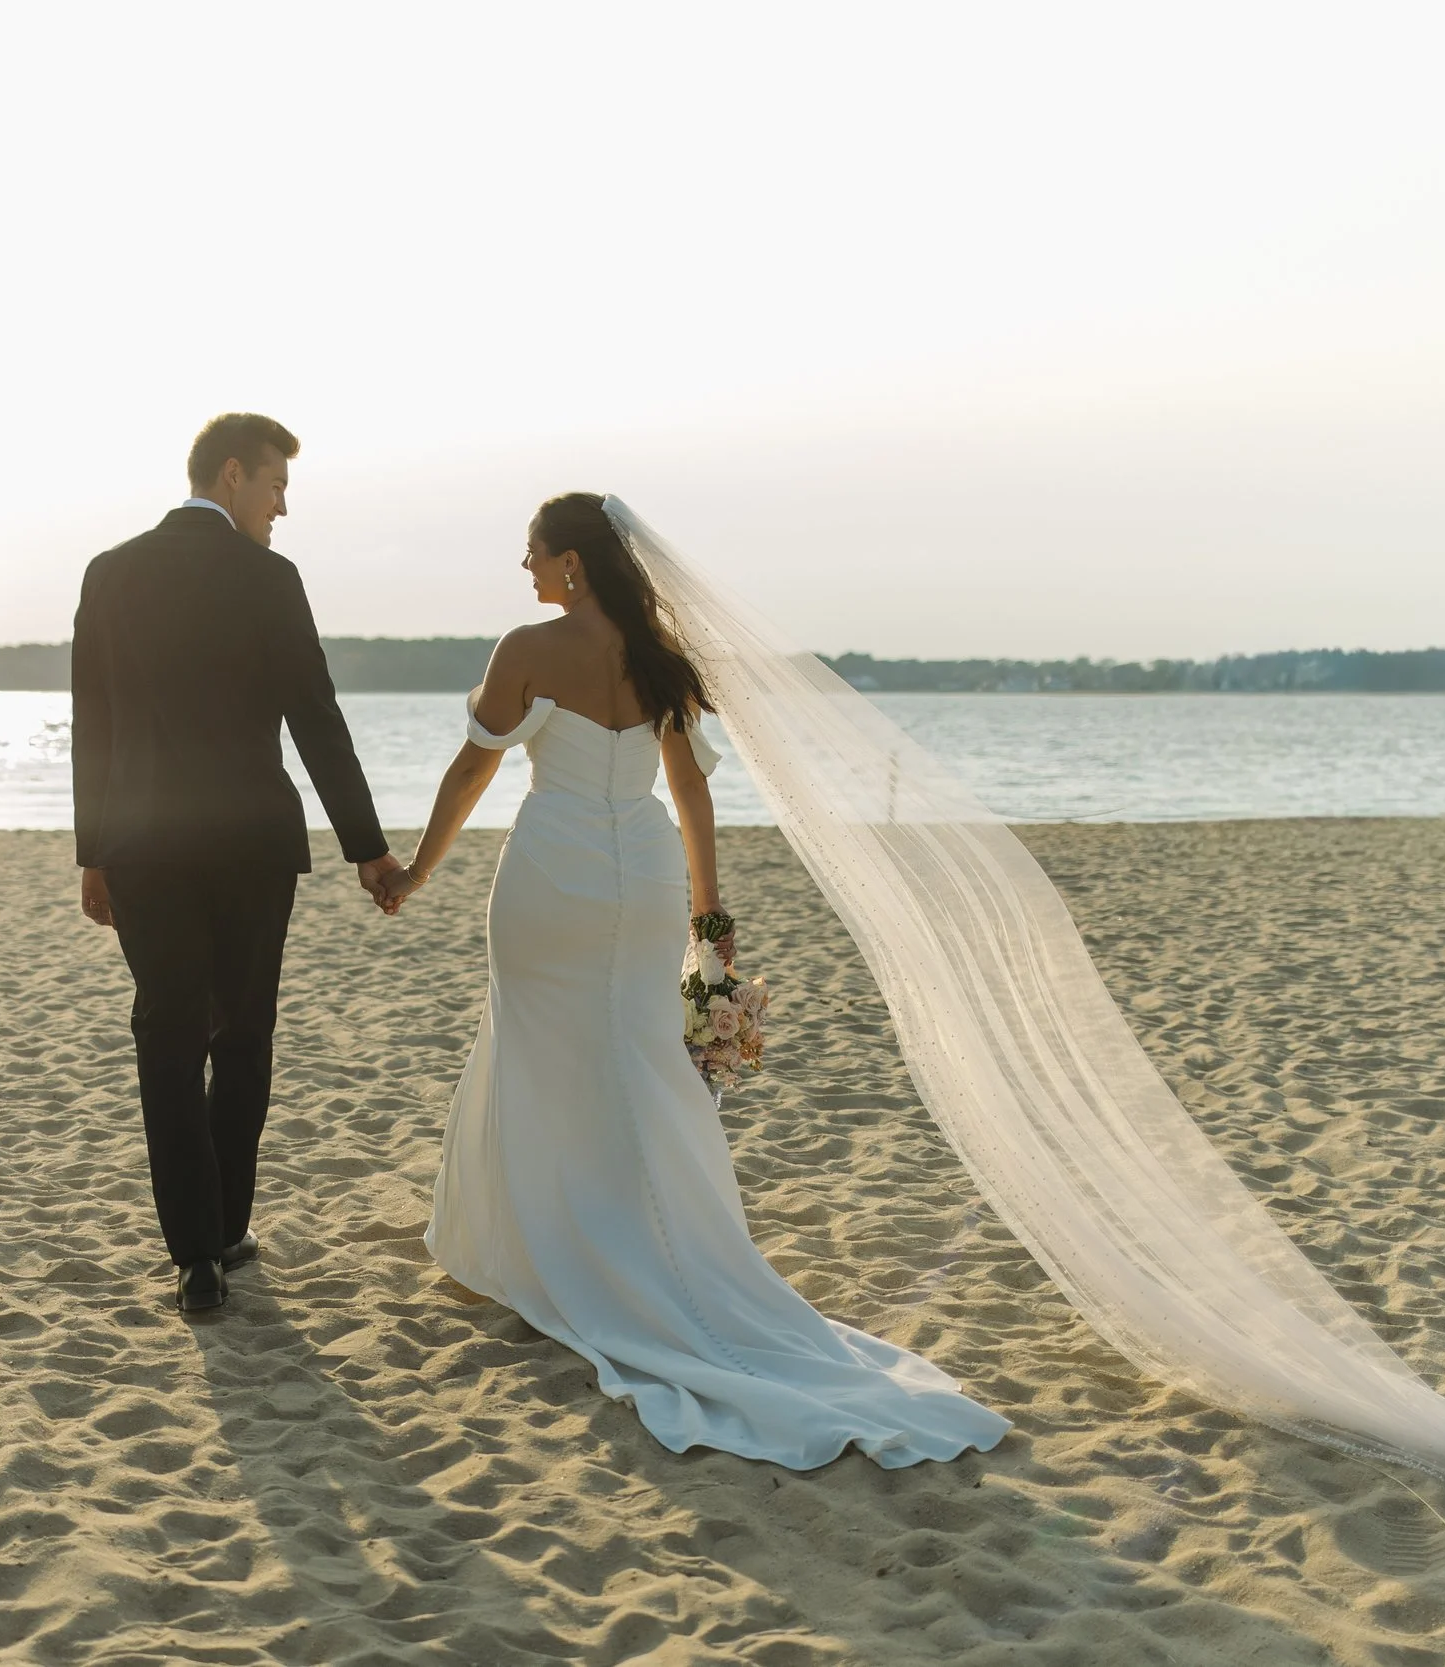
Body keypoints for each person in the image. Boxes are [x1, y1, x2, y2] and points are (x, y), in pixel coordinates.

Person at [375, 491, 1009, 1469]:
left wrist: (417, 868)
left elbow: (473, 770)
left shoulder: (527, 648)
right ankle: (651, 1237)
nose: (526, 569)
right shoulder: (661, 654)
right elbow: (690, 786)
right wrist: (706, 913)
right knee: (639, 1064)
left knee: (538, 1052)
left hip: (552, 875)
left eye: (534, 553)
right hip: (646, 878)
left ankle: (544, 1252)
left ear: (573, 563)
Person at [73, 413, 406, 1314]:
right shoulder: (269, 579)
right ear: (230, 475)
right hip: (251, 848)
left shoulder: (109, 573)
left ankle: (193, 1256)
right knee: (243, 1034)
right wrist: (367, 847)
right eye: (275, 487)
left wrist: (93, 851)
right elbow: (316, 716)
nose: (282, 508)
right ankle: (225, 1226)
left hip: (142, 846)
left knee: (167, 1036)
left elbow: (93, 726)